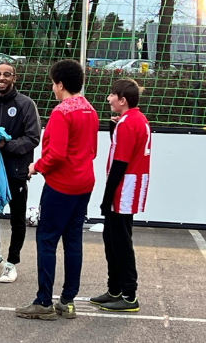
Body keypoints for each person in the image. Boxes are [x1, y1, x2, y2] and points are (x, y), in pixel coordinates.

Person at [15, 59, 98, 320]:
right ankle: (68, 301)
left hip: (62, 186)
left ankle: (43, 301)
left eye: (53, 82)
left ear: (60, 84)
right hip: (84, 183)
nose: (52, 87)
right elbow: (92, 150)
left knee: (47, 240)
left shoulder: (62, 112)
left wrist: (35, 166)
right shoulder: (89, 109)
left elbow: (57, 155)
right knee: (73, 240)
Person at [90, 79, 150, 312]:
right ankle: (114, 289)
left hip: (124, 189)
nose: (108, 98)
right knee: (112, 240)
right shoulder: (135, 119)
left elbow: (120, 163)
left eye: (112, 95)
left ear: (123, 100)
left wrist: (106, 199)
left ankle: (129, 295)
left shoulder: (128, 123)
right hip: (129, 187)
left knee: (121, 243)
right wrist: (114, 129)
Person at [0, 62, 41, 283]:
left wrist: (7, 144)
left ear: (14, 78)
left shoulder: (26, 104)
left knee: (17, 219)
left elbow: (33, 138)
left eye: (6, 74)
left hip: (15, 172)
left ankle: (12, 263)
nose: (1, 78)